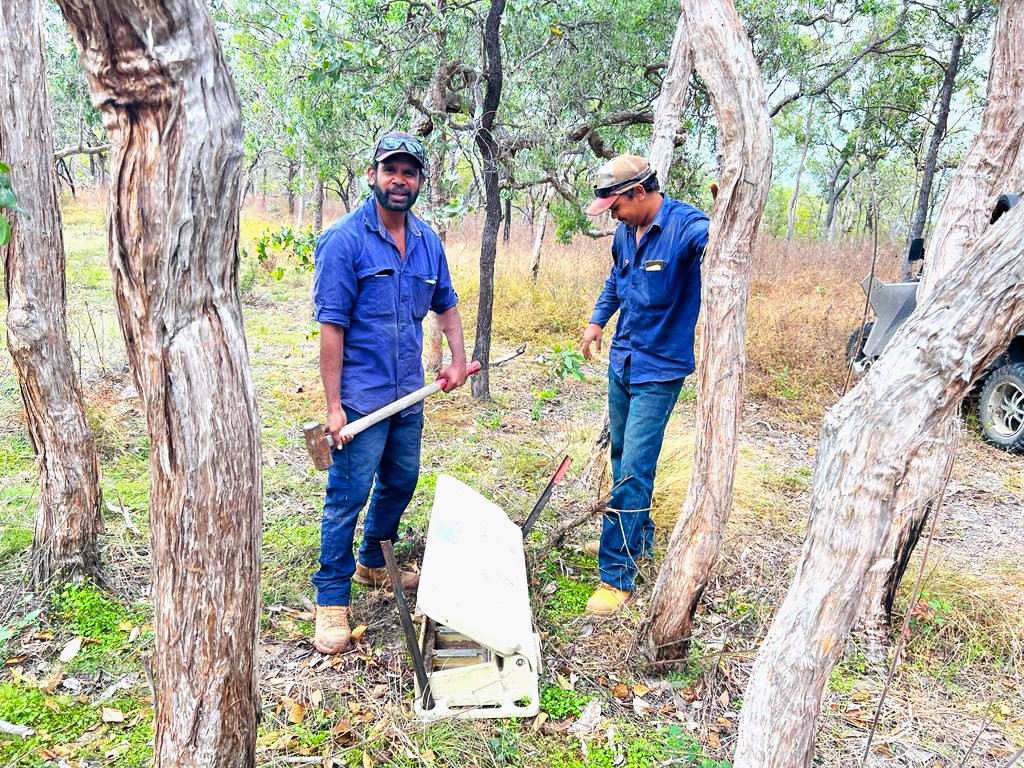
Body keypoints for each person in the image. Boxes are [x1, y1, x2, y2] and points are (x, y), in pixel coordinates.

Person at [311, 131, 468, 653]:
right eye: (390, 170)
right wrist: (334, 407)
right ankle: (331, 598)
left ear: (420, 181)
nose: (399, 180)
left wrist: (458, 359)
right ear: (373, 175)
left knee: (401, 480)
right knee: (346, 497)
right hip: (360, 397)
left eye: (409, 172)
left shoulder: (427, 241)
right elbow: (331, 328)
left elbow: (445, 304)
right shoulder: (344, 241)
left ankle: (373, 563)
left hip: (408, 393)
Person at [578, 155, 709, 616]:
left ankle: (617, 576)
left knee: (635, 467)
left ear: (638, 193)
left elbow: (717, 247)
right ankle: (640, 538)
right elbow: (617, 279)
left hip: (660, 368)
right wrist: (598, 322)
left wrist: (726, 219)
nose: (611, 213)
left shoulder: (687, 226)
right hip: (624, 360)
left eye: (615, 205)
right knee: (621, 457)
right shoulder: (623, 232)